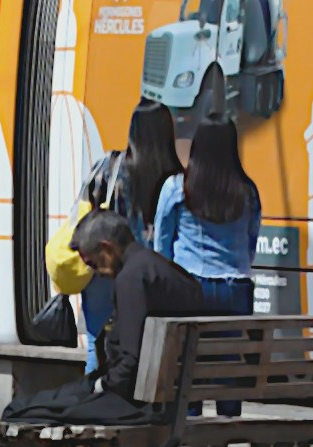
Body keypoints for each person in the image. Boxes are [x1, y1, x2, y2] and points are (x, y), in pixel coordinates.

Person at [63, 209, 221, 409]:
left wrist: (100, 386)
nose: (98, 273)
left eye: (94, 264)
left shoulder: (131, 279)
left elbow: (131, 361)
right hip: (178, 388)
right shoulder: (161, 268)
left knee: (53, 403)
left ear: (107, 248)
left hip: (143, 399)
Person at [150, 117, 262, 316]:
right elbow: (251, 243)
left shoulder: (177, 187)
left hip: (190, 285)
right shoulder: (247, 191)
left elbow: (162, 243)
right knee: (230, 347)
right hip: (237, 288)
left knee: (188, 346)